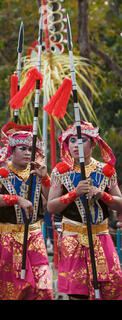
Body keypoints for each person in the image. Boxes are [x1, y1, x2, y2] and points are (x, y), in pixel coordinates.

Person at [47, 121, 122, 300]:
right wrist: (74, 193)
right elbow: (51, 206)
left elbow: (120, 204)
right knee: (78, 293)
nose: (76, 145)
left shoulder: (106, 171)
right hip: (72, 238)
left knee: (112, 287)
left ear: (93, 143)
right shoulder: (60, 171)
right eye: (72, 140)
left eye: (82, 140)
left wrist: (103, 195)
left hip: (101, 236)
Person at [0, 123, 54, 300]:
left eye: (31, 149)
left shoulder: (37, 172)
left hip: (34, 235)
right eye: (22, 148)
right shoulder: (1, 173)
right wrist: (17, 199)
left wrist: (45, 177)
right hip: (7, 237)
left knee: (42, 286)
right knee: (11, 288)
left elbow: (50, 200)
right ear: (12, 150)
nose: (28, 153)